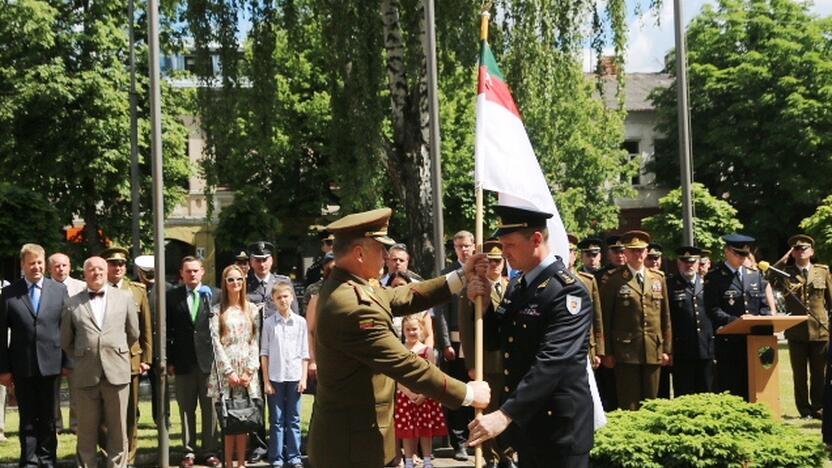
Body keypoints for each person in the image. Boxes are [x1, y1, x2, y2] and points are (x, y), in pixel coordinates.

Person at [307, 207, 490, 468]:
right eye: (380, 248)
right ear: (359, 253)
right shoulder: (352, 305)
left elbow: (401, 296)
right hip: (353, 448)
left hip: (359, 438)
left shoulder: (351, 286)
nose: (386, 256)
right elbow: (406, 364)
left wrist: (461, 276)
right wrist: (468, 394)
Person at [467, 206, 593, 468]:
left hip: (559, 429)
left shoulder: (567, 292)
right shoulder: (518, 285)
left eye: (510, 244)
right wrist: (483, 306)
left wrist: (505, 414)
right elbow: (495, 341)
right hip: (528, 425)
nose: (504, 253)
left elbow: (553, 362)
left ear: (536, 239)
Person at [61, 256, 139, 468]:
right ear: (84, 274)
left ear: (106, 272)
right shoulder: (72, 303)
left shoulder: (124, 298)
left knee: (118, 428)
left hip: (117, 371)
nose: (96, 273)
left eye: (100, 269)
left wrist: (112, 349)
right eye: (91, 269)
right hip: (85, 373)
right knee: (86, 430)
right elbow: (66, 341)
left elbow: (133, 332)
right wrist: (85, 354)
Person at [0, 243, 69, 467]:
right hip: (23, 366)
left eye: (40, 262)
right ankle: (29, 461)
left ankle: (47, 460)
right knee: (27, 419)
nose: (36, 267)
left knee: (49, 418)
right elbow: (1, 334)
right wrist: (3, 369)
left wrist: (67, 362)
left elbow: (66, 329)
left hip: (52, 365)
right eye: (32, 263)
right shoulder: (9, 293)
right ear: (23, 265)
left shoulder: (58, 290)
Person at [458, 239, 516, 468]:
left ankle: (508, 454)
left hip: (508, 359)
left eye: (498, 260)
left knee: (507, 407)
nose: (495, 265)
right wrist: (472, 363)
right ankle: (490, 456)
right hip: (486, 360)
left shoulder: (512, 286)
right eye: (490, 261)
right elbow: (466, 329)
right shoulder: (473, 290)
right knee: (487, 408)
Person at [598, 230, 671, 410]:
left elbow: (665, 317)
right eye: (633, 251)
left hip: (653, 348)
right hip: (625, 350)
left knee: (651, 403)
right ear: (626, 253)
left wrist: (667, 349)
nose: (638, 255)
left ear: (647, 252)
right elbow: (605, 318)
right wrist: (606, 351)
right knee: (628, 403)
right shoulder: (613, 280)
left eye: (641, 251)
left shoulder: (658, 278)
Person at [167, 256, 221, 468]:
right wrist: (170, 360)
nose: (192, 274)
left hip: (209, 362)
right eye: (188, 271)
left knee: (210, 410)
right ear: (181, 273)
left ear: (202, 272)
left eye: (196, 270)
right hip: (183, 363)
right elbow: (168, 331)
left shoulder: (216, 295)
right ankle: (188, 452)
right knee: (186, 409)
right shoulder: (172, 297)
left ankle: (210, 451)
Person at [101, 247, 153, 467]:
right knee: (104, 414)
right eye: (113, 264)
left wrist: (147, 358)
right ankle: (108, 454)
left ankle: (128, 457)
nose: (118, 268)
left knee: (130, 413)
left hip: (131, 360)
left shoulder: (137, 291)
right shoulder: (96, 289)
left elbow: (146, 328)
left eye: (121, 264)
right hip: (102, 361)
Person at [770, 235, 830, 419]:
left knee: (820, 373)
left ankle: (819, 408)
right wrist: (784, 258)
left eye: (804, 248)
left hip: (820, 329)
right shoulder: (785, 273)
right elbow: (768, 276)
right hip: (796, 331)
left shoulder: (823, 271)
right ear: (792, 253)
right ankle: (804, 410)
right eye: (796, 249)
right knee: (800, 375)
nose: (801, 251)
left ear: (812, 251)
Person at [704, 234, 771, 400]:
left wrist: (763, 319)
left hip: (754, 341)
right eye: (738, 254)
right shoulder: (714, 277)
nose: (742, 258)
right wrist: (736, 321)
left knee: (753, 386)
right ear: (727, 251)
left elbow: (763, 306)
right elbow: (712, 309)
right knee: (731, 386)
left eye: (745, 254)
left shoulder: (754, 275)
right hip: (729, 342)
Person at [207, 265, 261, 468]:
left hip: (246, 369)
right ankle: (228, 463)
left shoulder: (252, 309)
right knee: (229, 420)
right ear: (225, 283)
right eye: (231, 280)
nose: (235, 283)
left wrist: (249, 370)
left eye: (239, 279)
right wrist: (228, 371)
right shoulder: (216, 311)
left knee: (244, 418)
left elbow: (255, 341)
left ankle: (241, 463)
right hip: (225, 371)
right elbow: (215, 343)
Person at [433, 230, 476, 461]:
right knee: (458, 394)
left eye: (467, 245)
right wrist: (446, 342)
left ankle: (474, 438)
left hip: (478, 344)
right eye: (459, 246)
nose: (463, 250)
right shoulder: (448, 273)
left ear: (474, 245)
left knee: (477, 391)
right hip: (456, 342)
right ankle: (458, 441)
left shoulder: (482, 268)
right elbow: (440, 313)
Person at [261, 282, 308, 468]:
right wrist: (266, 381)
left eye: (286, 296)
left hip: (295, 376)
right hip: (275, 377)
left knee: (294, 419)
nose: (283, 300)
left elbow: (305, 353)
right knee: (277, 420)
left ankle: (294, 456)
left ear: (292, 298)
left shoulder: (300, 323)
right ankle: (277, 458)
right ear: (273, 300)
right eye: (279, 297)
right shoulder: (269, 324)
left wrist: (304, 378)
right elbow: (264, 353)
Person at [395, 315, 448, 468]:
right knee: (407, 430)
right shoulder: (399, 350)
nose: (411, 332)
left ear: (421, 330)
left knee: (426, 430)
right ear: (403, 330)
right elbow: (397, 377)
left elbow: (432, 376)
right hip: (405, 395)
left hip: (425, 395)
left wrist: (424, 395)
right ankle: (409, 461)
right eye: (408, 329)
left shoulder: (427, 351)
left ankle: (427, 460)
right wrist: (409, 394)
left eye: (414, 329)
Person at [668, 246, 714, 395]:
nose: (689, 265)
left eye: (692, 262)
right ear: (678, 263)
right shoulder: (670, 285)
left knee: (707, 391)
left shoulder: (708, 284)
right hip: (682, 349)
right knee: (683, 392)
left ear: (698, 262)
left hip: (706, 348)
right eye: (684, 261)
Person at [48, 252, 85, 434]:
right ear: (50, 269)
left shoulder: (82, 287)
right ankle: (55, 425)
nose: (60, 269)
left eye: (64, 265)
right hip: (51, 347)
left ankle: (77, 424)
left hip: (75, 346)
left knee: (77, 388)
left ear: (70, 266)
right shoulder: (44, 288)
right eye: (56, 266)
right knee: (52, 391)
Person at [134, 254, 171, 429]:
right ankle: (133, 417)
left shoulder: (167, 290)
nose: (148, 277)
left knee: (160, 386)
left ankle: (162, 418)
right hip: (135, 347)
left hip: (158, 347)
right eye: (145, 273)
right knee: (132, 387)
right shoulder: (131, 289)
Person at [387, 272, 434, 348]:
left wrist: (426, 354)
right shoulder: (385, 309)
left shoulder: (420, 308)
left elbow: (428, 335)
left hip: (417, 354)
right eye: (395, 286)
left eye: (401, 285)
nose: (398, 288)